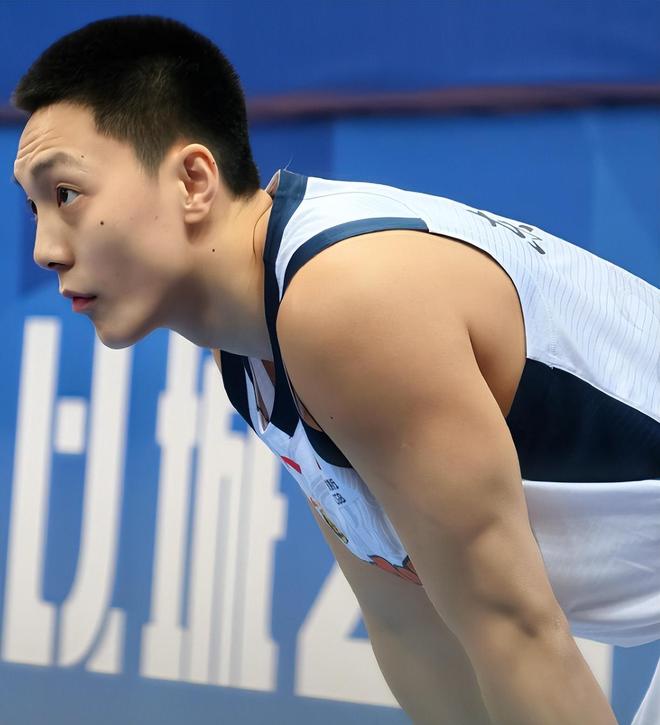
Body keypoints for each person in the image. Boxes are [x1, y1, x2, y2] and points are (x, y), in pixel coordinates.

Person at [11, 15, 659, 725]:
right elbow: (408, 623)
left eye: (66, 194)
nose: (44, 248)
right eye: (33, 206)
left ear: (194, 180)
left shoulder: (346, 300)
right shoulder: (250, 344)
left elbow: (516, 632)